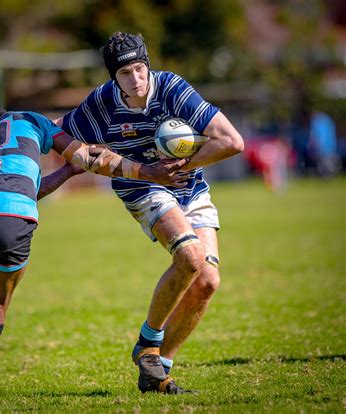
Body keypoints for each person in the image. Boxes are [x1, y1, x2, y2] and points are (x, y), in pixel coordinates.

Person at [0, 99, 189, 401]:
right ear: (0, 114)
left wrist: (67, 173)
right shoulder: (28, 119)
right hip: (13, 217)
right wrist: (148, 172)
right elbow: (88, 157)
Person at [59, 32, 244, 394]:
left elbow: (232, 141)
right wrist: (60, 173)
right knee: (189, 257)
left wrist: (184, 164)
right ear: (114, 77)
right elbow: (61, 137)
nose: (136, 79)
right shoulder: (101, 103)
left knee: (207, 281)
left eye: (140, 68)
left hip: (189, 187)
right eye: (125, 73)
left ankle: (157, 370)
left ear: (149, 65)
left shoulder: (173, 89)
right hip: (141, 187)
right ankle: (148, 343)